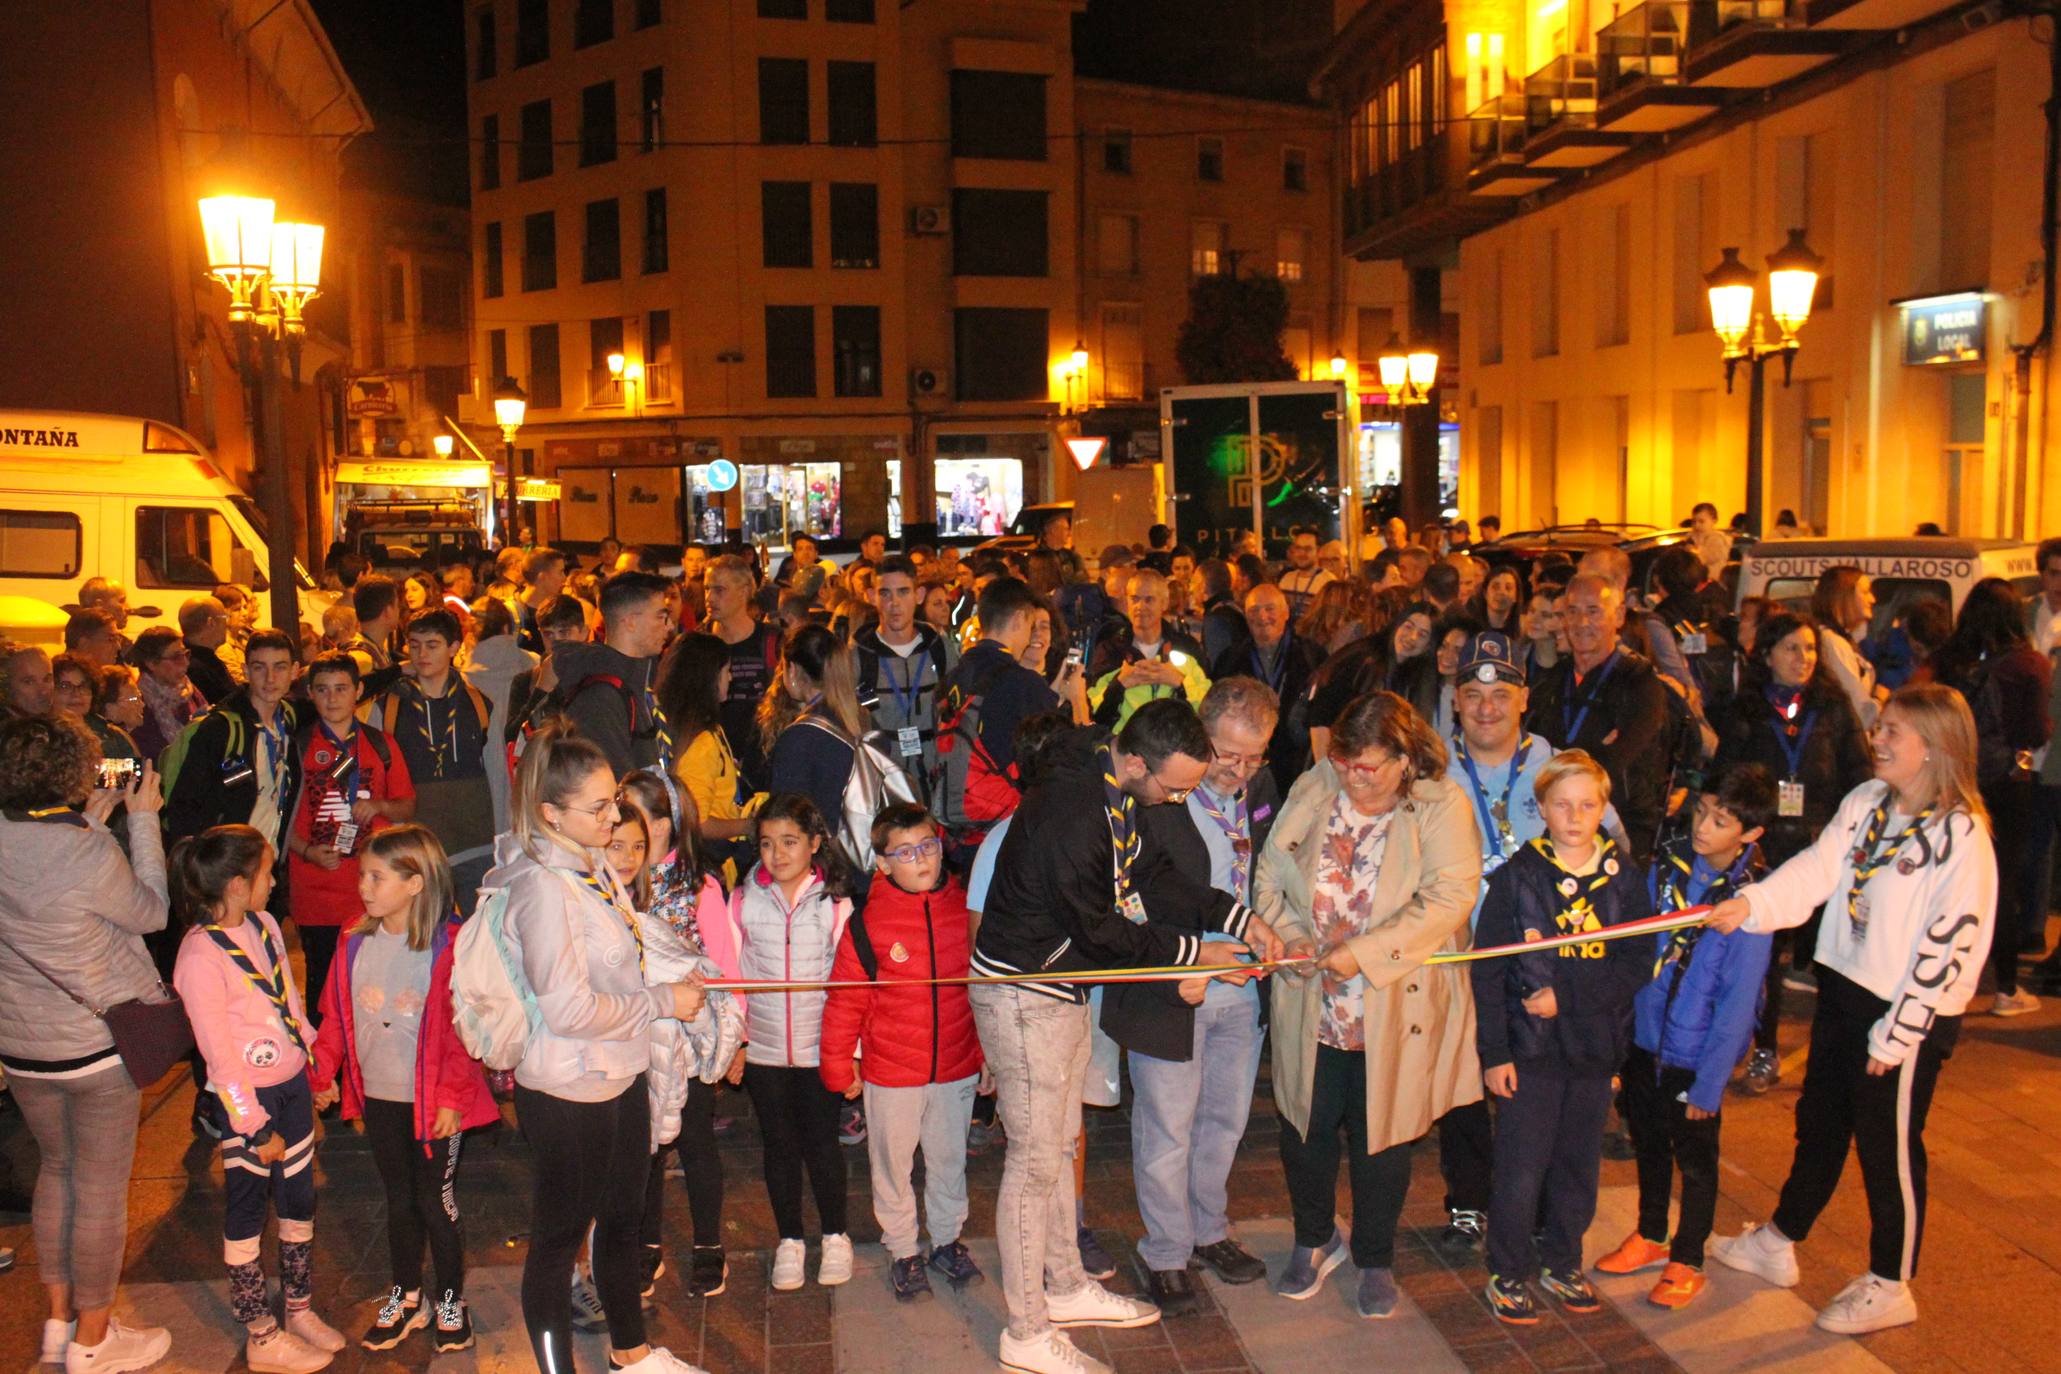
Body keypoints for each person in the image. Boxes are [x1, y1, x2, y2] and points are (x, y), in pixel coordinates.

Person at [971, 701, 1279, 1374]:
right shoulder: (1071, 812)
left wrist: (1236, 914)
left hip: (1059, 987)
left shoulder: (1120, 788)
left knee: (1058, 1144)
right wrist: (1196, 951)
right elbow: (1101, 933)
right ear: (1136, 761)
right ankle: (1024, 1331)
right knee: (1032, 1163)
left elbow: (1153, 876)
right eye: (1172, 786)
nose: (1178, 799)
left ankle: (1064, 1285)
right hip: (1022, 994)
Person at [1706, 685, 1996, 1336]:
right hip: (1844, 988)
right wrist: (1752, 906)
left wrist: (1898, 1032)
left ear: (1935, 748)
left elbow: (1953, 942)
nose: (1878, 739)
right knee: (1819, 1123)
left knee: (1885, 1147)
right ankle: (1778, 1240)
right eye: (1879, 727)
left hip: (1901, 1012)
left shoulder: (1961, 835)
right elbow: (1815, 871)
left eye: (1894, 731)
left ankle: (1890, 1281)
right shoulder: (1866, 803)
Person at [486, 723, 708, 1374]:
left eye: (615, 800)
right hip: (566, 1088)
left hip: (619, 1070)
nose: (616, 818)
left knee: (621, 1217)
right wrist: (662, 1003)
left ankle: (631, 1355)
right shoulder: (543, 889)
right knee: (557, 1242)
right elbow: (568, 1009)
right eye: (600, 807)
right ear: (551, 814)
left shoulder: (591, 867)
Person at [1256, 691, 1482, 1319]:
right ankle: (1313, 1238)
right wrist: (1291, 935)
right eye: (1347, 764)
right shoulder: (1317, 783)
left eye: (1370, 768)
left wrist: (1367, 951)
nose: (1355, 780)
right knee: (1304, 1126)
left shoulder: (1441, 805)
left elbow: (1449, 899)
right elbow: (1269, 877)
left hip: (1390, 998)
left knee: (1382, 1135)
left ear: (1406, 759)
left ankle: (1375, 1256)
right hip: (1311, 994)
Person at [0, 717, 173, 1374]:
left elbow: (44, 891)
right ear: (75, 773)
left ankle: (55, 1322)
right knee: (100, 1188)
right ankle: (96, 1339)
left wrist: (94, 823)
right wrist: (143, 822)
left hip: (22, 1047)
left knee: (56, 1172)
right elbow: (152, 910)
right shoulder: (87, 853)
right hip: (95, 1047)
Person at [1103, 679, 1282, 1314]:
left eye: (1254, 755)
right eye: (1226, 754)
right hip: (1171, 985)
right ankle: (1167, 1251)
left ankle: (1211, 1229)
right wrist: (1179, 961)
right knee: (1166, 1127)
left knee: (1226, 1121)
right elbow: (1137, 899)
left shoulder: (1261, 790)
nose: (1238, 771)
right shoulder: (1155, 795)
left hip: (1242, 986)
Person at [1471, 750, 1652, 1326]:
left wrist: (1567, 998)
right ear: (1542, 808)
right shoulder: (1517, 878)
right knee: (1522, 1167)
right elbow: (1488, 970)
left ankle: (1563, 1259)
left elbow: (1635, 964)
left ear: (1603, 808)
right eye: (1562, 805)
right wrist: (1494, 1051)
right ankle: (1508, 1268)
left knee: (1578, 1164)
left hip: (1595, 1048)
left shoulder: (1625, 880)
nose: (1575, 817)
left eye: (1588, 805)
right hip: (1531, 1051)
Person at [308, 825, 495, 1352]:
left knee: (436, 1201)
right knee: (398, 1200)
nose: (364, 886)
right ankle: (407, 1294)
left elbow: (464, 1031)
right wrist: (322, 1073)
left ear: (416, 883)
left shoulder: (452, 944)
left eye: (377, 876)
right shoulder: (353, 938)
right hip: (382, 1098)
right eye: (363, 874)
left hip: (434, 1104)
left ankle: (451, 1298)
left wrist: (453, 1099)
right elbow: (335, 1019)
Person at [1594, 767, 1774, 1309]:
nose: (1703, 828)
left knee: (1695, 1159)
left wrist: (1711, 1082)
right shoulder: (1667, 870)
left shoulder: (1750, 903)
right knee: (1648, 1141)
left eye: (1721, 821)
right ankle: (1652, 1233)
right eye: (1701, 812)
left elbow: (1740, 1002)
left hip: (1694, 1055)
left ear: (1750, 833)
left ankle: (1688, 1255)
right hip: (1646, 1039)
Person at [171, 824, 346, 1373]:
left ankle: (298, 1309)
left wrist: (316, 1068)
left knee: (299, 1202)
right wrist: (252, 1126)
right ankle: (259, 1331)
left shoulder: (267, 924)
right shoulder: (200, 956)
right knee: (247, 1211)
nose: (276, 881)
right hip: (249, 1102)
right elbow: (219, 1060)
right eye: (269, 871)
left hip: (290, 1088)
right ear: (239, 884)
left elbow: (290, 1007)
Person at [820, 803, 986, 1302]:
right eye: (907, 852)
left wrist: (989, 1058)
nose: (923, 860)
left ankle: (947, 1239)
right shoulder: (867, 923)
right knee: (892, 1163)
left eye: (929, 846)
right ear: (884, 863)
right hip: (892, 1072)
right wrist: (837, 1067)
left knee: (949, 1158)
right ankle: (901, 1248)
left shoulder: (965, 911)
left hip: (955, 1065)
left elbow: (981, 991)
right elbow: (846, 999)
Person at [1433, 632, 1562, 1256]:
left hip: (1536, 958)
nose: (1487, 708)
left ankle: (1531, 1205)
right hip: (1460, 953)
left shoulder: (1559, 766)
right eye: (1474, 694)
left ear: (1524, 699)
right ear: (1455, 700)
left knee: (1531, 1090)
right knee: (1461, 1085)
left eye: (1501, 694)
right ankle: (1467, 1201)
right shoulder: (1431, 768)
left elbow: (1603, 846)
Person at [1711, 612, 1871, 1091]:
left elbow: (1859, 774)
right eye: (1790, 648)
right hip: (1767, 848)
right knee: (1766, 958)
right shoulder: (1747, 710)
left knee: (1834, 955)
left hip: (1826, 845)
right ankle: (1765, 1047)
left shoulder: (1834, 707)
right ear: (1767, 654)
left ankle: (1837, 1050)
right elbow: (1727, 775)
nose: (1802, 658)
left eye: (1809, 649)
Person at [718, 794, 857, 1291]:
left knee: (822, 1143)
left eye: (790, 842)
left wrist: (851, 1052)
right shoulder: (741, 902)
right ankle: (790, 1240)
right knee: (778, 1145)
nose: (777, 854)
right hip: (766, 1051)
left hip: (822, 1046)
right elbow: (732, 979)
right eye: (767, 843)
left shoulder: (836, 903)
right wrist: (738, 1042)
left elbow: (851, 984)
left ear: (815, 843)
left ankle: (836, 1235)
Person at [615, 773, 741, 1300]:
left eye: (633, 816)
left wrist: (737, 1041)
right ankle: (646, 1245)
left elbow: (728, 970)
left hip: (688, 1039)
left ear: (664, 826)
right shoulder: (615, 884)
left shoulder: (697, 885)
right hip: (631, 1036)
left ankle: (709, 1244)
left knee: (694, 1141)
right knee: (641, 1147)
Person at [1931, 579, 2052, 1015]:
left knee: (1947, 876)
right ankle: (2005, 987)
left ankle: (1937, 974)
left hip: (1951, 779)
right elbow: (2036, 731)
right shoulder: (2027, 664)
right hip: (2004, 782)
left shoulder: (1948, 660)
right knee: (2001, 881)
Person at [285, 654, 416, 1021]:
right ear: (309, 693)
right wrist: (308, 850)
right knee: (323, 989)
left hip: (372, 891)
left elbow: (407, 806)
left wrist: (379, 806)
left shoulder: (381, 744)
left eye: (341, 689)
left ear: (358, 691)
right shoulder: (295, 748)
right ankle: (327, 1072)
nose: (332, 699)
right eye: (323, 690)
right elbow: (279, 821)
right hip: (316, 891)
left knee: (377, 985)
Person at [1523, 575, 1672, 863]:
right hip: (1553, 831)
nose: (1581, 622)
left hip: (1620, 835)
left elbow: (1621, 763)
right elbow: (1532, 754)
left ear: (1618, 616)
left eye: (1593, 611)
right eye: (1572, 611)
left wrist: (1565, 759)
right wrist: (1594, 751)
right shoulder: (1552, 682)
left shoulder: (1639, 684)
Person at [372, 611, 495, 912]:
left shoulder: (480, 702)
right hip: (416, 847)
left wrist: (503, 837)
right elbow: (377, 777)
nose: (421, 654)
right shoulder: (387, 706)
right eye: (414, 645)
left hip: (475, 842)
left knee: (480, 939)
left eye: (432, 645)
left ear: (454, 647)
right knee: (424, 940)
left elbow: (499, 776)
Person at [934, 579, 1068, 850]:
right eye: (1031, 626)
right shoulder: (1023, 682)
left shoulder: (953, 676)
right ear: (1019, 619)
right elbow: (1057, 762)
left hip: (958, 834)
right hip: (1009, 833)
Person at [854, 555, 960, 808]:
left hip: (937, 783)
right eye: (885, 593)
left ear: (919, 595)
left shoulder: (940, 649)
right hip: (882, 787)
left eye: (903, 592)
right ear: (871, 596)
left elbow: (958, 714)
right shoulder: (858, 656)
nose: (894, 603)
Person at [759, 625, 873, 853]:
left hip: (826, 869)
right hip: (868, 858)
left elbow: (786, 823)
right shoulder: (862, 719)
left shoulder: (798, 739)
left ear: (791, 670)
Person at [553, 572, 679, 777]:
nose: (670, 626)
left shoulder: (638, 683)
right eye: (661, 616)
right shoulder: (600, 698)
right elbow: (616, 786)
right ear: (630, 622)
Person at [659, 632, 759, 884]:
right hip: (709, 864)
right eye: (726, 670)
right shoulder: (700, 742)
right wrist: (749, 826)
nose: (731, 677)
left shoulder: (703, 730)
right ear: (709, 677)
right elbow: (698, 821)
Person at [1213, 583, 1321, 794]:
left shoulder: (1311, 656)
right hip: (1246, 765)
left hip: (1297, 766)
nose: (1262, 616)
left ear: (1286, 613)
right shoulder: (1230, 660)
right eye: (1254, 610)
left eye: (1270, 608)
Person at [1088, 569, 1210, 732]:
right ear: (1127, 602)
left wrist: (1180, 683)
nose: (1140, 606)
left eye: (1149, 600)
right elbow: (1096, 715)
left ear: (1164, 603)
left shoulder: (1187, 648)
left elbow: (1208, 709)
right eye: (1135, 599)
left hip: (1175, 747)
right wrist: (1119, 684)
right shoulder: (1110, 650)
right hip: (1125, 749)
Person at [704, 555, 783, 791]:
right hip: (711, 768)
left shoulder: (772, 641)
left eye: (719, 590)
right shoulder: (698, 643)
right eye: (707, 589)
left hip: (763, 764)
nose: (709, 598)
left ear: (745, 591)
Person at [460, 598, 538, 833]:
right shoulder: (533, 666)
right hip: (526, 759)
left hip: (482, 768)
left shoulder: (463, 679)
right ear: (507, 628)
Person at [1811, 566, 1887, 728]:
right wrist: (1880, 698)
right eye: (1865, 592)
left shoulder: (1836, 640)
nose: (1872, 599)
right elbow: (1859, 715)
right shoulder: (1834, 644)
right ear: (1844, 595)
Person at [132, 628, 206, 759]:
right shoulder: (139, 704)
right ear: (151, 664)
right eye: (176, 657)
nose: (186, 663)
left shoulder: (188, 689)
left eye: (185, 654)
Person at [343, 576, 403, 681]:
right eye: (397, 605)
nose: (399, 611)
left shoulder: (376, 650)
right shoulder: (363, 660)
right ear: (387, 611)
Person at [180, 597, 239, 704]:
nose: (227, 623)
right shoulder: (198, 668)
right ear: (211, 623)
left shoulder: (185, 660)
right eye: (225, 617)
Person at [516, 549, 570, 655]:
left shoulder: (561, 610)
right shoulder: (512, 614)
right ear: (543, 577)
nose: (564, 578)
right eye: (560, 572)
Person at [1278, 531, 1335, 621]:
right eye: (1298, 548)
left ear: (1318, 551)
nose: (1301, 553)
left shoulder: (1329, 582)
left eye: (1308, 549)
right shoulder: (1286, 580)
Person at [1686, 502, 1732, 580]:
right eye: (1694, 522)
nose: (1697, 525)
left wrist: (1693, 550)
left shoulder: (1718, 540)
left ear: (1714, 521)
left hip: (1713, 581)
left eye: (1701, 521)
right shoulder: (1691, 538)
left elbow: (1704, 558)